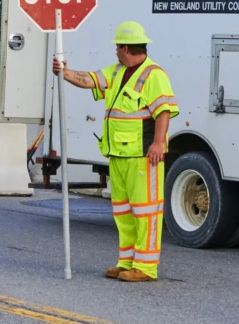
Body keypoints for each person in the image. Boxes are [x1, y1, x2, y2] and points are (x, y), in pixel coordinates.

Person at [52, 21, 178, 283]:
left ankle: (145, 268)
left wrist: (158, 143)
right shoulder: (119, 71)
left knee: (146, 213)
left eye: (118, 47)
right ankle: (126, 262)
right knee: (123, 212)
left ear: (127, 48)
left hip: (143, 157)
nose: (116, 52)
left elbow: (163, 110)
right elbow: (90, 80)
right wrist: (65, 72)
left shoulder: (153, 75)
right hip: (119, 156)